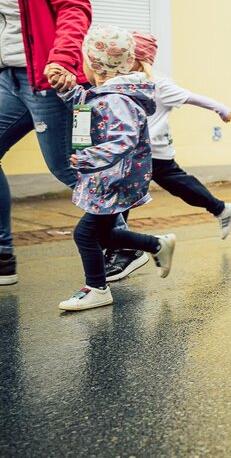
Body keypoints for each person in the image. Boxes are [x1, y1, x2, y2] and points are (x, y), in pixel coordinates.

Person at [0, 0, 92, 286]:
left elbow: (73, 7)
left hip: (45, 75)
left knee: (68, 169)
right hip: (8, 75)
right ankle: (2, 255)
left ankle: (124, 239)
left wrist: (62, 58)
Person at [102, 32, 231, 281]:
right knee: (132, 193)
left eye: (127, 57)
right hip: (137, 153)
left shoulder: (159, 84)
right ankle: (119, 249)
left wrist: (223, 110)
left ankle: (122, 250)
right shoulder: (120, 82)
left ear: (138, 59)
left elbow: (193, 98)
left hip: (154, 152)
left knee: (169, 186)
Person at [59, 25, 175, 311]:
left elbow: (124, 140)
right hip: (110, 176)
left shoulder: (116, 100)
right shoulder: (106, 93)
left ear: (95, 63)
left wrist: (89, 158)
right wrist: (65, 89)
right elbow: (86, 103)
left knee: (84, 234)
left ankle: (97, 288)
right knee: (103, 233)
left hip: (111, 179)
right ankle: (156, 244)